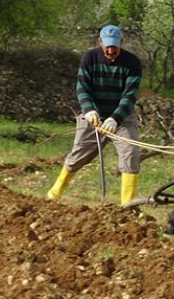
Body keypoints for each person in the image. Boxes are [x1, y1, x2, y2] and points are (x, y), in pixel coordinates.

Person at [47, 25, 142, 206]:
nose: (110, 50)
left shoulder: (132, 62)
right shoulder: (89, 58)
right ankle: (54, 193)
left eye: (115, 46)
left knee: (131, 152)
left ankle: (128, 205)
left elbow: (130, 95)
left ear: (122, 43)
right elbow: (82, 87)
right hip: (94, 115)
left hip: (122, 118)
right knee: (78, 154)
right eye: (107, 45)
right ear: (100, 42)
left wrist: (115, 118)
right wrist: (89, 109)